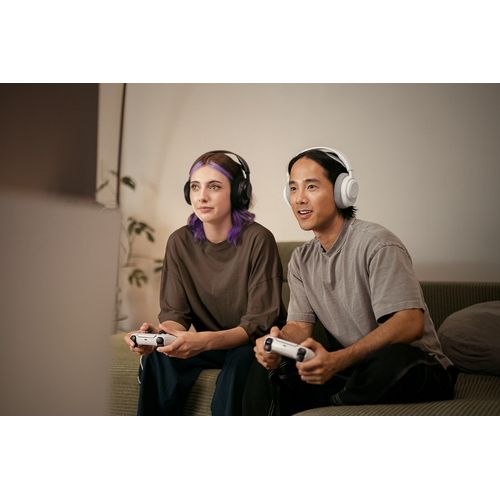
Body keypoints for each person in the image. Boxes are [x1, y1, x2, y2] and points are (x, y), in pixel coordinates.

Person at [244, 146, 455, 415]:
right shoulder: (300, 259)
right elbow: (299, 327)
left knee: (391, 359)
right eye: (293, 189)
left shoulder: (378, 243)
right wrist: (277, 341)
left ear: (342, 192)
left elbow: (409, 323)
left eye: (311, 186)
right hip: (353, 371)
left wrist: (338, 360)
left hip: (418, 366)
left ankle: (330, 404)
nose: (299, 199)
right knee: (262, 362)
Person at [125, 150, 285, 415]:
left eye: (214, 187)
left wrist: (202, 341)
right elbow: (175, 314)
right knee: (158, 358)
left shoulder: (259, 240)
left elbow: (257, 325)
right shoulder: (179, 242)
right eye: (195, 187)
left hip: (249, 344)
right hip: (206, 342)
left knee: (240, 362)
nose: (202, 197)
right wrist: (161, 335)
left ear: (238, 192)